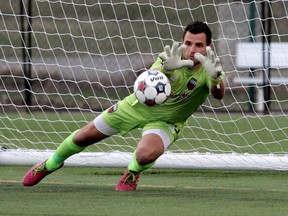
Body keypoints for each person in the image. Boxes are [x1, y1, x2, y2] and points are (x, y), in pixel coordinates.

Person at [22, 20, 225, 191]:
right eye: (188, 43)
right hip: (135, 107)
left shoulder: (211, 68)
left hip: (167, 120)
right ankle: (50, 164)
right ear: (182, 42)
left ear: (209, 47)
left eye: (199, 45)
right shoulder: (169, 58)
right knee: (83, 136)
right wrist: (166, 70)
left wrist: (216, 80)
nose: (192, 50)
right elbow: (151, 80)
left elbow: (218, 95)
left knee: (145, 155)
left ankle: (133, 172)